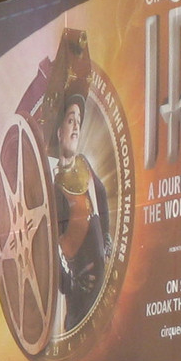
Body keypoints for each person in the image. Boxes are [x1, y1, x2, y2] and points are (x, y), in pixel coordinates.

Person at [50, 91, 111, 332]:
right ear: (59, 132)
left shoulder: (85, 164)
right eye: (70, 120)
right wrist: (67, 284)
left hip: (102, 290)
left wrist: (105, 240)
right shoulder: (53, 189)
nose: (76, 127)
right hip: (80, 300)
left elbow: (103, 199)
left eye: (78, 121)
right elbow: (50, 246)